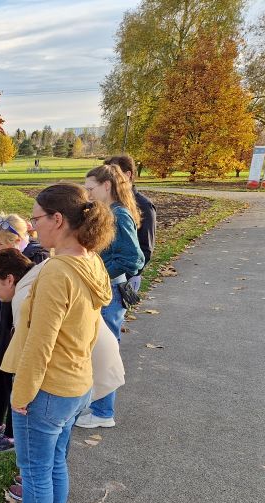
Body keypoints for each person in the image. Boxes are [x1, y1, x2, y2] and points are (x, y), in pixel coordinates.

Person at [0, 185, 113, 503]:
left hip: (47, 388)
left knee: (36, 470)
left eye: (37, 219)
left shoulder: (58, 271)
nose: (35, 228)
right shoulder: (89, 262)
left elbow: (41, 341)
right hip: (76, 382)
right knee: (55, 463)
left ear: (59, 219)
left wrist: (21, 394)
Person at [75, 163, 143, 429]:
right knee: (99, 348)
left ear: (107, 186)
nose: (87, 193)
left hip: (111, 292)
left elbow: (133, 258)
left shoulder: (119, 215)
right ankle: (97, 406)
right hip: (105, 289)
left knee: (105, 351)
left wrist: (98, 272)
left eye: (90, 188)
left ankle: (103, 412)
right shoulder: (110, 212)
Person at [0, 249, 35, 454]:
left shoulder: (23, 298)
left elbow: (30, 351)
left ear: (10, 279)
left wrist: (22, 393)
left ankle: (14, 439)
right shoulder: (25, 288)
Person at [104, 154, 156, 291]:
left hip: (124, 279)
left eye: (113, 175)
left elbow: (146, 247)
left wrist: (127, 275)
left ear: (128, 175)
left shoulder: (144, 205)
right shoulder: (108, 203)